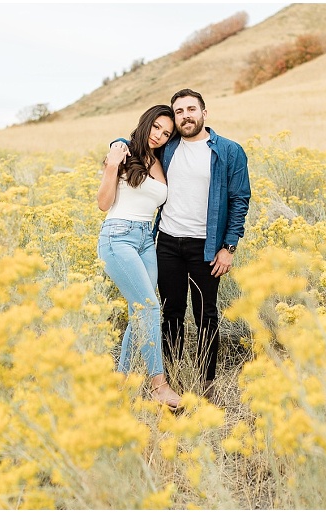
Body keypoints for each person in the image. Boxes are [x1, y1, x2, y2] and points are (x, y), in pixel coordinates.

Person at [118, 89, 251, 399]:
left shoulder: (229, 151)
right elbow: (135, 142)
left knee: (206, 314)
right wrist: (117, 144)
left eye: (191, 109)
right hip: (166, 244)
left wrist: (228, 247)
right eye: (179, 111)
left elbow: (239, 200)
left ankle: (205, 383)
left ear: (205, 113)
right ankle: (173, 377)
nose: (185, 115)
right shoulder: (168, 147)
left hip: (206, 247)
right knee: (171, 312)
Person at [97, 104, 182, 411]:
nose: (159, 135)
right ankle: (159, 386)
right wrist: (111, 165)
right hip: (117, 237)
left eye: (166, 133)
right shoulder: (122, 151)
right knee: (149, 307)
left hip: (147, 240)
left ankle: (120, 385)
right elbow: (103, 204)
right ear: (146, 123)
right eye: (157, 127)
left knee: (140, 312)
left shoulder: (160, 161)